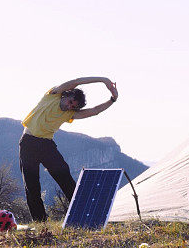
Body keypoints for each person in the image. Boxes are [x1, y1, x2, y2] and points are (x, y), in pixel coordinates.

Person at [19, 77, 118, 222]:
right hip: (28, 143)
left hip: (46, 145)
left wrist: (112, 99)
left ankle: (83, 214)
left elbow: (94, 111)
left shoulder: (68, 114)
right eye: (70, 101)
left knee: (65, 177)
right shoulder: (53, 95)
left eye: (73, 106)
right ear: (66, 95)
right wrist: (103, 80)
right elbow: (76, 82)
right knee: (32, 185)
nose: (69, 106)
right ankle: (41, 222)